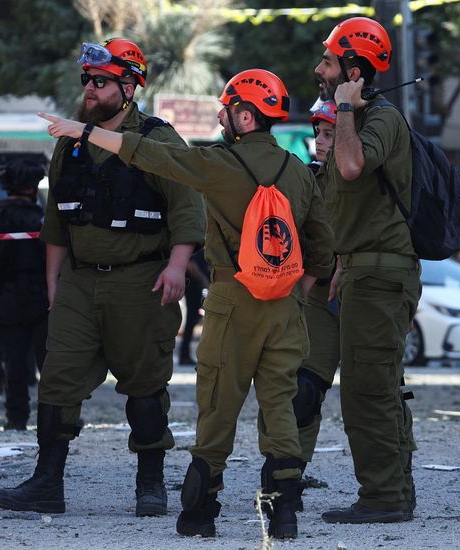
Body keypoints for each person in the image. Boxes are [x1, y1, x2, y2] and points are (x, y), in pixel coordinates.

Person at [38, 68, 334, 540]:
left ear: (245, 116)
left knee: (217, 404)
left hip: (234, 300)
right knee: (280, 403)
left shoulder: (219, 164)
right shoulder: (299, 171)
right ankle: (283, 512)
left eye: (226, 109)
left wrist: (85, 132)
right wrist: (298, 291)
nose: (220, 117)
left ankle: (201, 511)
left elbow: (151, 155)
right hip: (284, 305)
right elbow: (322, 247)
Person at [0, 38, 206, 518]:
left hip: (141, 281)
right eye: (87, 79)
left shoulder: (158, 140)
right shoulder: (70, 143)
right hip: (79, 283)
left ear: (129, 88)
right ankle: (47, 483)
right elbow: (55, 222)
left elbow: (188, 208)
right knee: (57, 380)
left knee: (145, 383)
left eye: (101, 81)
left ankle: (150, 484)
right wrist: (54, 283)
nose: (89, 88)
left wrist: (177, 265)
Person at [313, 17, 421, 524]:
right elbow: (352, 204)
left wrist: (344, 109)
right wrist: (341, 259)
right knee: (379, 385)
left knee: (368, 390)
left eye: (329, 62)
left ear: (353, 71)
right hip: (363, 270)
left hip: (381, 276)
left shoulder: (381, 118)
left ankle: (384, 497)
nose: (320, 70)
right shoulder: (360, 117)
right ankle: (395, 490)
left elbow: (352, 166)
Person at [269, 99, 340, 508]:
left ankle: (394, 479)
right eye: (318, 133)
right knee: (305, 390)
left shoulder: (378, 179)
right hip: (317, 293)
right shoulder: (307, 178)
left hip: (368, 293)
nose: (320, 142)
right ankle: (288, 477)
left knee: (385, 393)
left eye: (329, 134)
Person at [0, 158, 49, 431]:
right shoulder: (43, 219)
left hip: (6, 296)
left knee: (13, 364)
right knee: (50, 364)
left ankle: (16, 418)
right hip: (43, 298)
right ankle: (55, 418)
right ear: (33, 187)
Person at [178, 249, 209, 366]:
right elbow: (190, 264)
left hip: (198, 285)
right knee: (191, 320)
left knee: (194, 319)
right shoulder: (197, 246)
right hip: (193, 285)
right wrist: (204, 281)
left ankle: (185, 354)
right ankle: (184, 354)